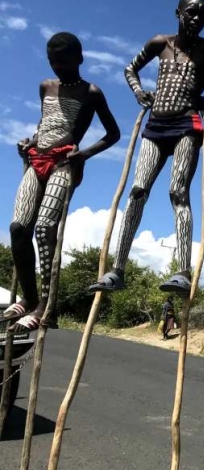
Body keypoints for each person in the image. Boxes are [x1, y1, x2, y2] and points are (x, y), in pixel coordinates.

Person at [89, 0, 204, 295]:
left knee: (178, 192)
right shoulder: (159, 43)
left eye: (203, 14)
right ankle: (117, 269)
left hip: (187, 124)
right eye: (191, 12)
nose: (197, 18)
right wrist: (139, 92)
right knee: (137, 191)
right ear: (178, 12)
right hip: (155, 125)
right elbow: (129, 69)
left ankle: (183, 271)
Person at [2, 33, 120, 331]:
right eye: (53, 61)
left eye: (64, 61)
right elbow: (45, 124)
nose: (58, 67)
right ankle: (29, 299)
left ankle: (47, 305)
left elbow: (113, 134)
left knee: (44, 229)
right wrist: (28, 142)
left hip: (64, 164)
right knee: (18, 228)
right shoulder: (46, 87)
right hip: (36, 159)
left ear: (79, 59)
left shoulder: (91, 92)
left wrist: (84, 155)